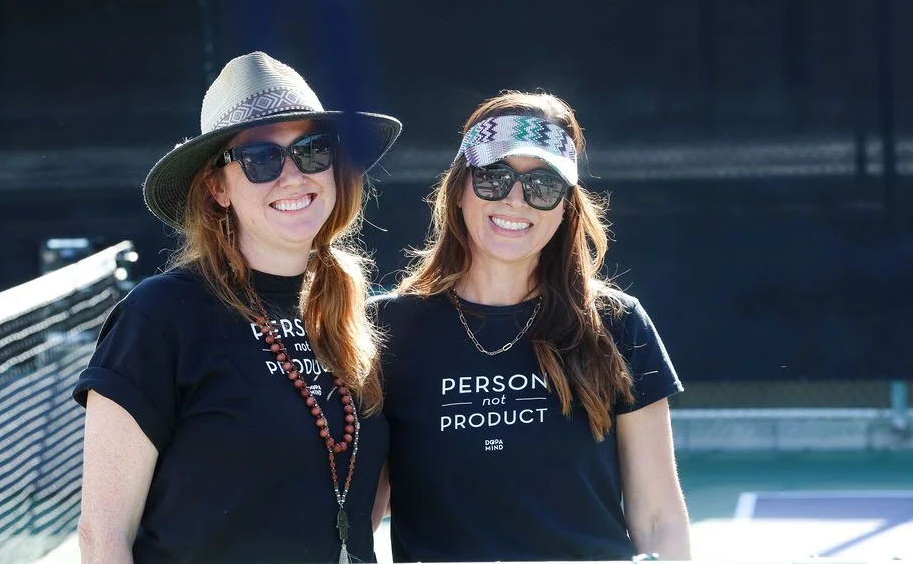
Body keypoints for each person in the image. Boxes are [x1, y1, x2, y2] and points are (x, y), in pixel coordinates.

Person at [72, 51, 402, 564]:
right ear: (217, 188)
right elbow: (102, 538)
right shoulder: (161, 316)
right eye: (261, 159)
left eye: (312, 151)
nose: (292, 177)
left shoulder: (353, 315)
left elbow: (364, 503)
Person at [373, 91, 691, 562]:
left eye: (543, 185)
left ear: (565, 208)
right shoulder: (384, 328)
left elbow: (659, 518)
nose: (515, 199)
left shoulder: (617, 324)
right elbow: (361, 509)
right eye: (493, 177)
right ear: (459, 190)